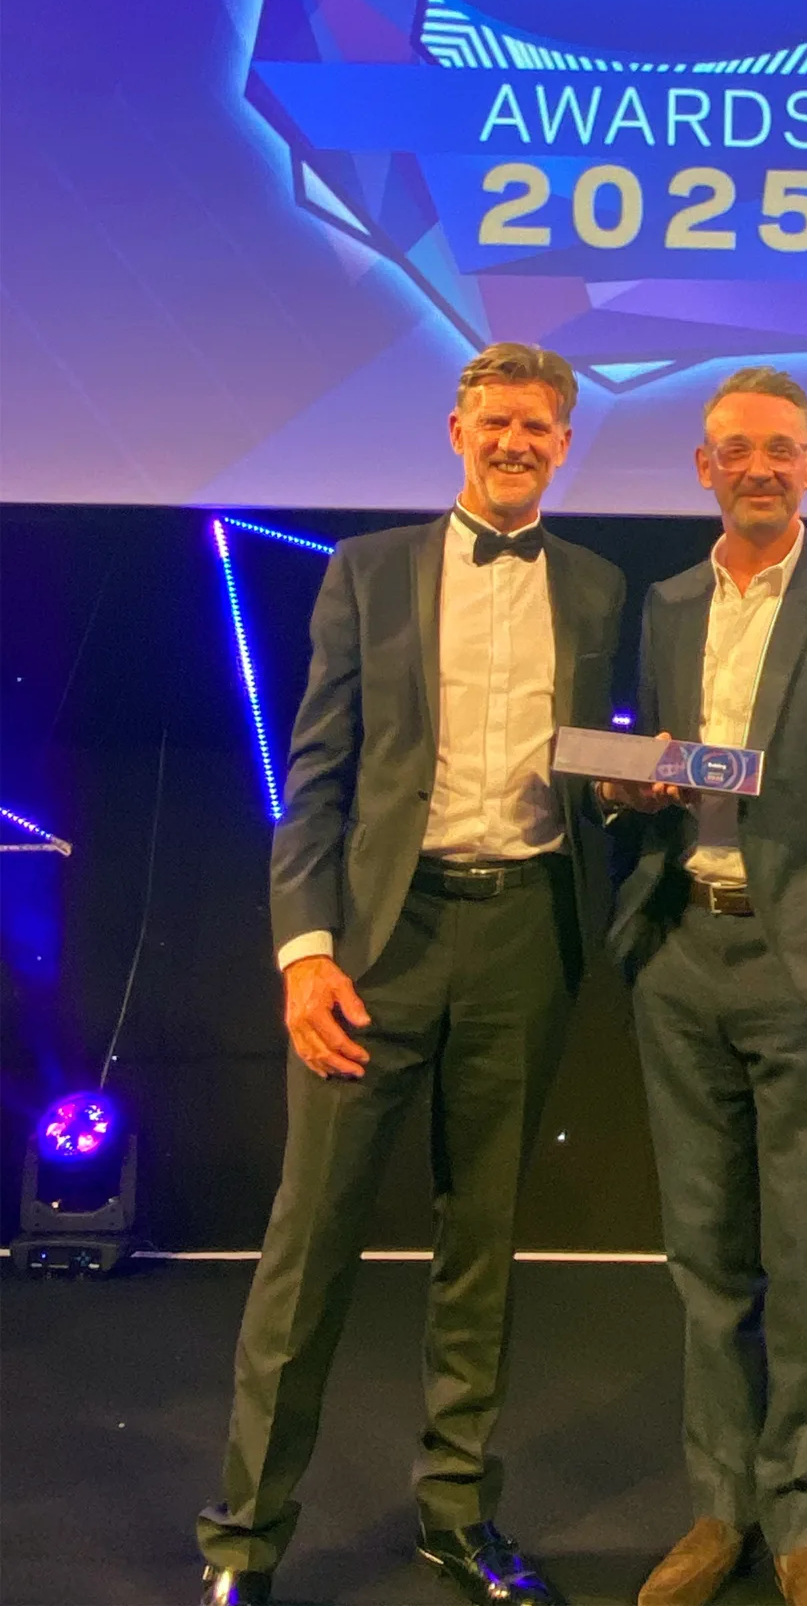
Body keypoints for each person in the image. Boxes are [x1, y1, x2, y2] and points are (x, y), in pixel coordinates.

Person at [196, 343, 626, 1606]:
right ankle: (246, 1536)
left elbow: (600, 760)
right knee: (309, 1241)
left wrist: (635, 784)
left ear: (565, 441)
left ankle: (456, 1512)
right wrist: (306, 950)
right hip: (378, 943)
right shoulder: (367, 570)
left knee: (480, 1243)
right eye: (495, 420)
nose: (514, 441)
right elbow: (317, 778)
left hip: (524, 938)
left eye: (538, 425)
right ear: (455, 429)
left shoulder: (597, 585)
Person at [602, 367, 807, 1606]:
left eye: (780, 449)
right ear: (704, 467)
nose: (757, 465)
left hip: (805, 961)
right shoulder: (670, 600)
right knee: (703, 1258)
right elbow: (671, 762)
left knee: (802, 1259)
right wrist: (632, 787)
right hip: (680, 952)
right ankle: (718, 1507)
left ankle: (802, 1518)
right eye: (734, 447)